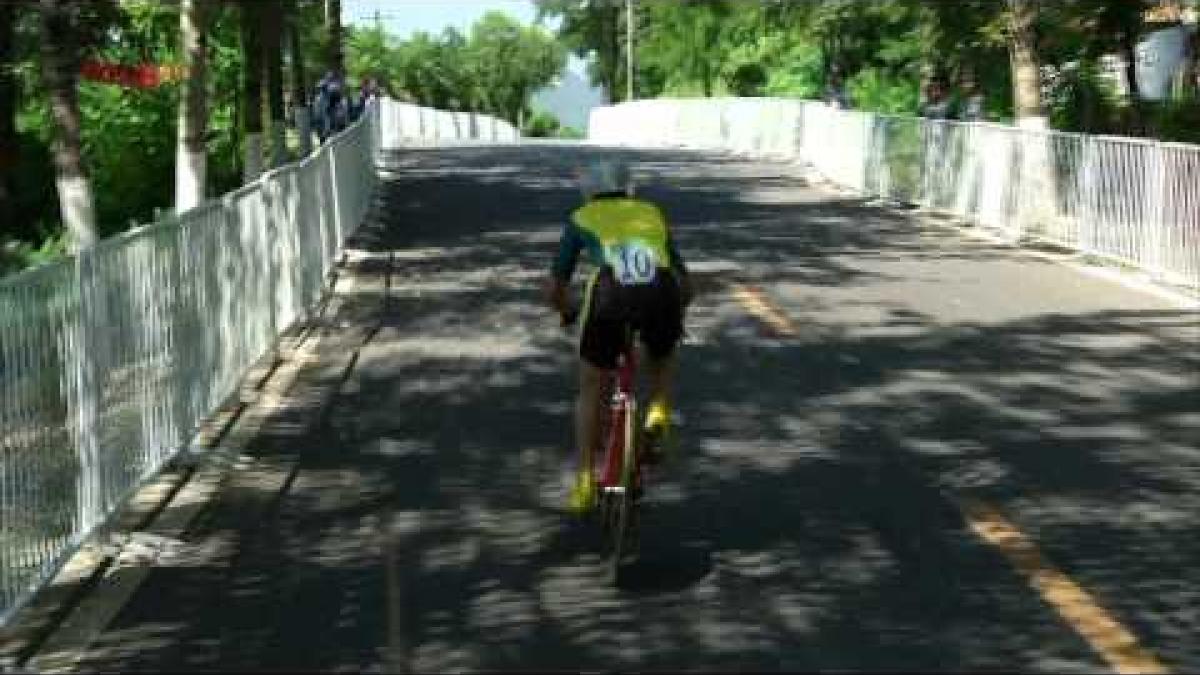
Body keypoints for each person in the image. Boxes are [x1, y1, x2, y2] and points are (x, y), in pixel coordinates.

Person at [545, 160, 693, 514]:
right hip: (661, 289)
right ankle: (658, 407)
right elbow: (686, 283)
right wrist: (678, 315)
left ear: (589, 191)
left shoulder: (582, 217)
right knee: (663, 351)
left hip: (609, 293)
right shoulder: (651, 212)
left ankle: (583, 481)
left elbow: (555, 286)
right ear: (628, 188)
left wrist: (567, 311)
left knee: (591, 386)